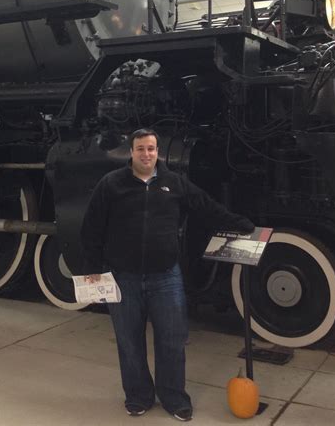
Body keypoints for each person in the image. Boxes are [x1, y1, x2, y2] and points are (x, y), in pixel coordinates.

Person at [81, 128, 254, 421]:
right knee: (129, 341)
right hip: (124, 277)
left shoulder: (174, 183)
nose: (146, 154)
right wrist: (92, 271)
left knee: (172, 340)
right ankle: (138, 396)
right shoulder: (111, 184)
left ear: (157, 151)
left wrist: (241, 224)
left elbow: (206, 207)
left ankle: (174, 398)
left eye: (150, 148)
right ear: (131, 152)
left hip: (165, 276)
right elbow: (92, 228)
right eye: (140, 149)